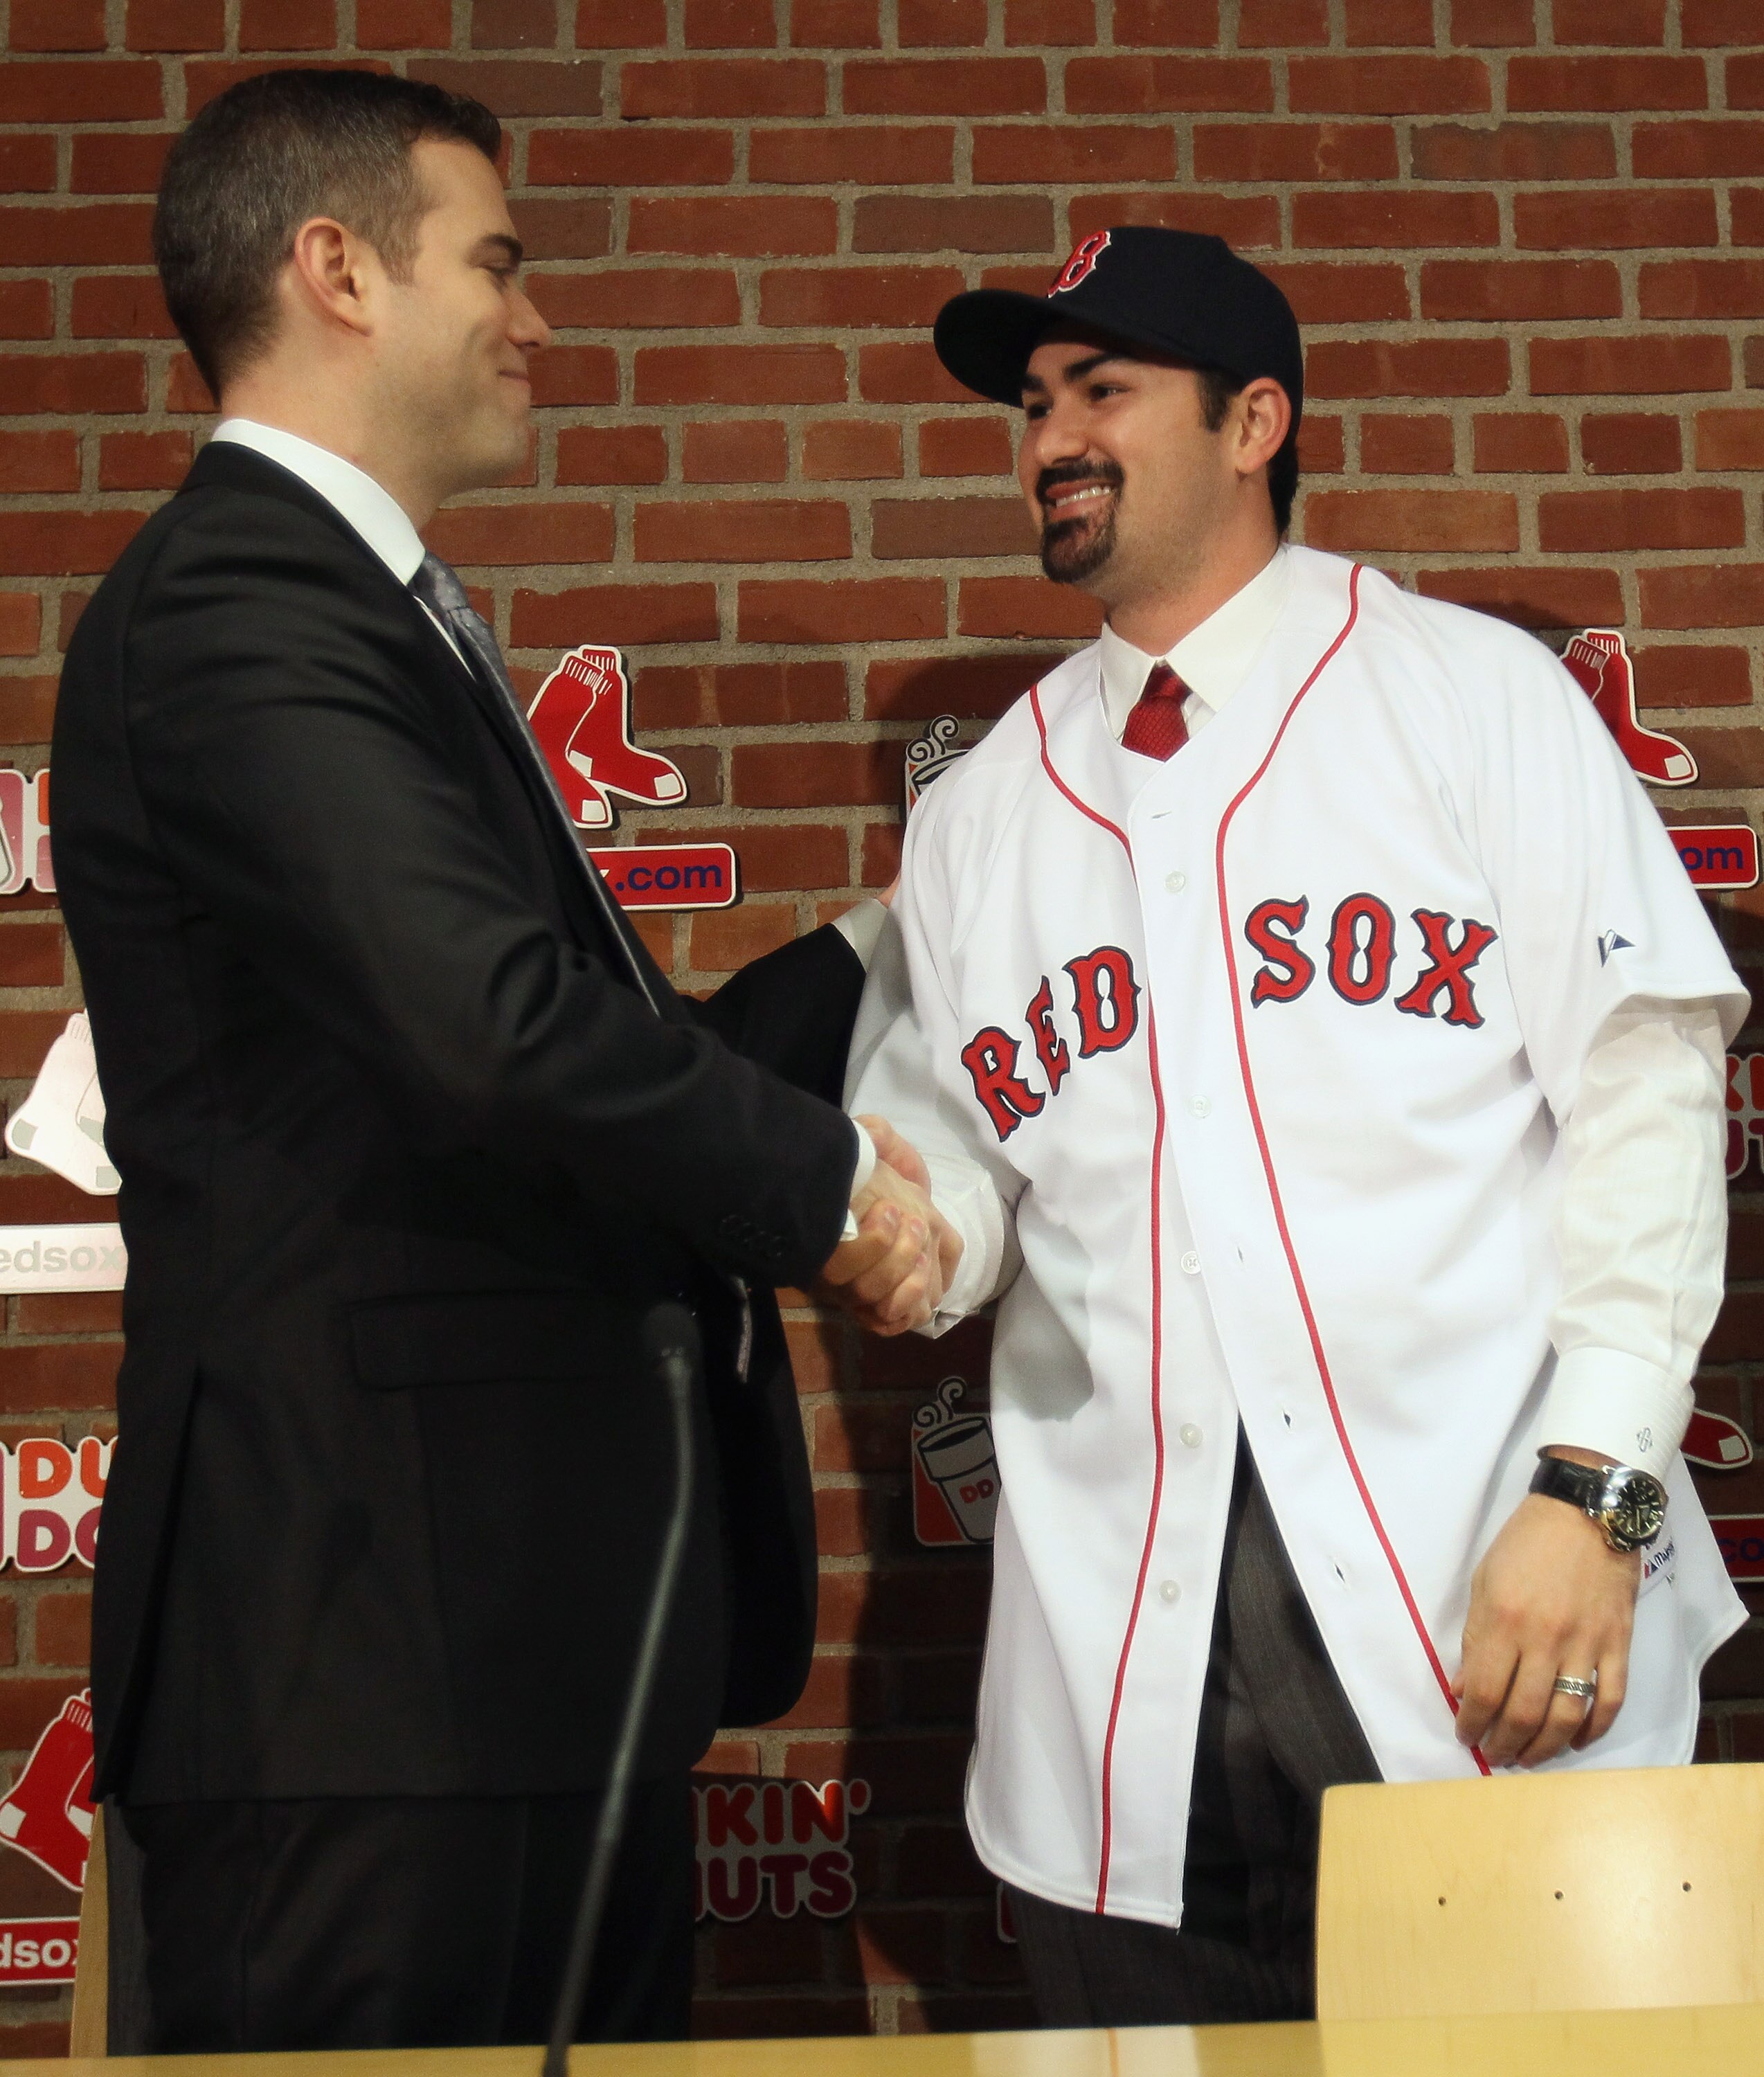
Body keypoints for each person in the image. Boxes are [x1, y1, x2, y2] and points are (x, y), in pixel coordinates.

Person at [53, 69, 951, 2053]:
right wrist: (829, 1195)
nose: (536, 318)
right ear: (337, 270)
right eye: (499, 261)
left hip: (513, 1658)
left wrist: (908, 936)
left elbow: (590, 1053)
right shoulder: (237, 603)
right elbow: (490, 1025)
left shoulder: (371, 620)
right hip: (366, 1664)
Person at [846, 226, 1748, 2026]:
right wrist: (899, 1219)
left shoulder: (1469, 701)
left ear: (1253, 419)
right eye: (1031, 406)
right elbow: (952, 1161)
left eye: (1102, 390)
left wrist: (1598, 1488)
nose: (1048, 440)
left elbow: (1646, 1099)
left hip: (1487, 1587)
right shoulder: (982, 815)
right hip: (1121, 1681)